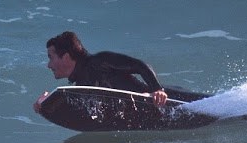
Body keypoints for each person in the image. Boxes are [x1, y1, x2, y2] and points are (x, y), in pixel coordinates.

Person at [33, 30, 168, 113]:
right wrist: (44, 105)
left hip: (166, 99)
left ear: (66, 57)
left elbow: (140, 66)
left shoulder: (100, 62)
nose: (49, 65)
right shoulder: (80, 86)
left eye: (51, 58)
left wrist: (157, 90)